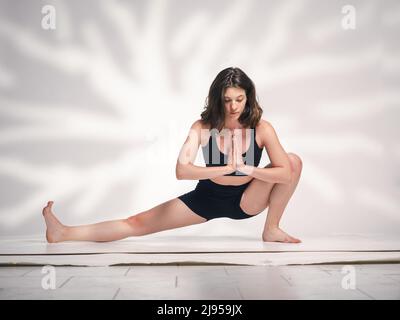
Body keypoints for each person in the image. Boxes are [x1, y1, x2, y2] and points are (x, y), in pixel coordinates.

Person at [42, 67, 302, 244]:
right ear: (217, 99)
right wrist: (222, 169)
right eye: (227, 100)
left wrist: (248, 170)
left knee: (292, 160)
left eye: (239, 99)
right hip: (207, 197)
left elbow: (285, 173)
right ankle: (63, 232)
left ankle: (271, 229)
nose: (233, 107)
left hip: (247, 200)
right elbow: (182, 170)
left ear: (248, 97)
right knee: (136, 222)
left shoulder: (262, 128)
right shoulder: (201, 127)